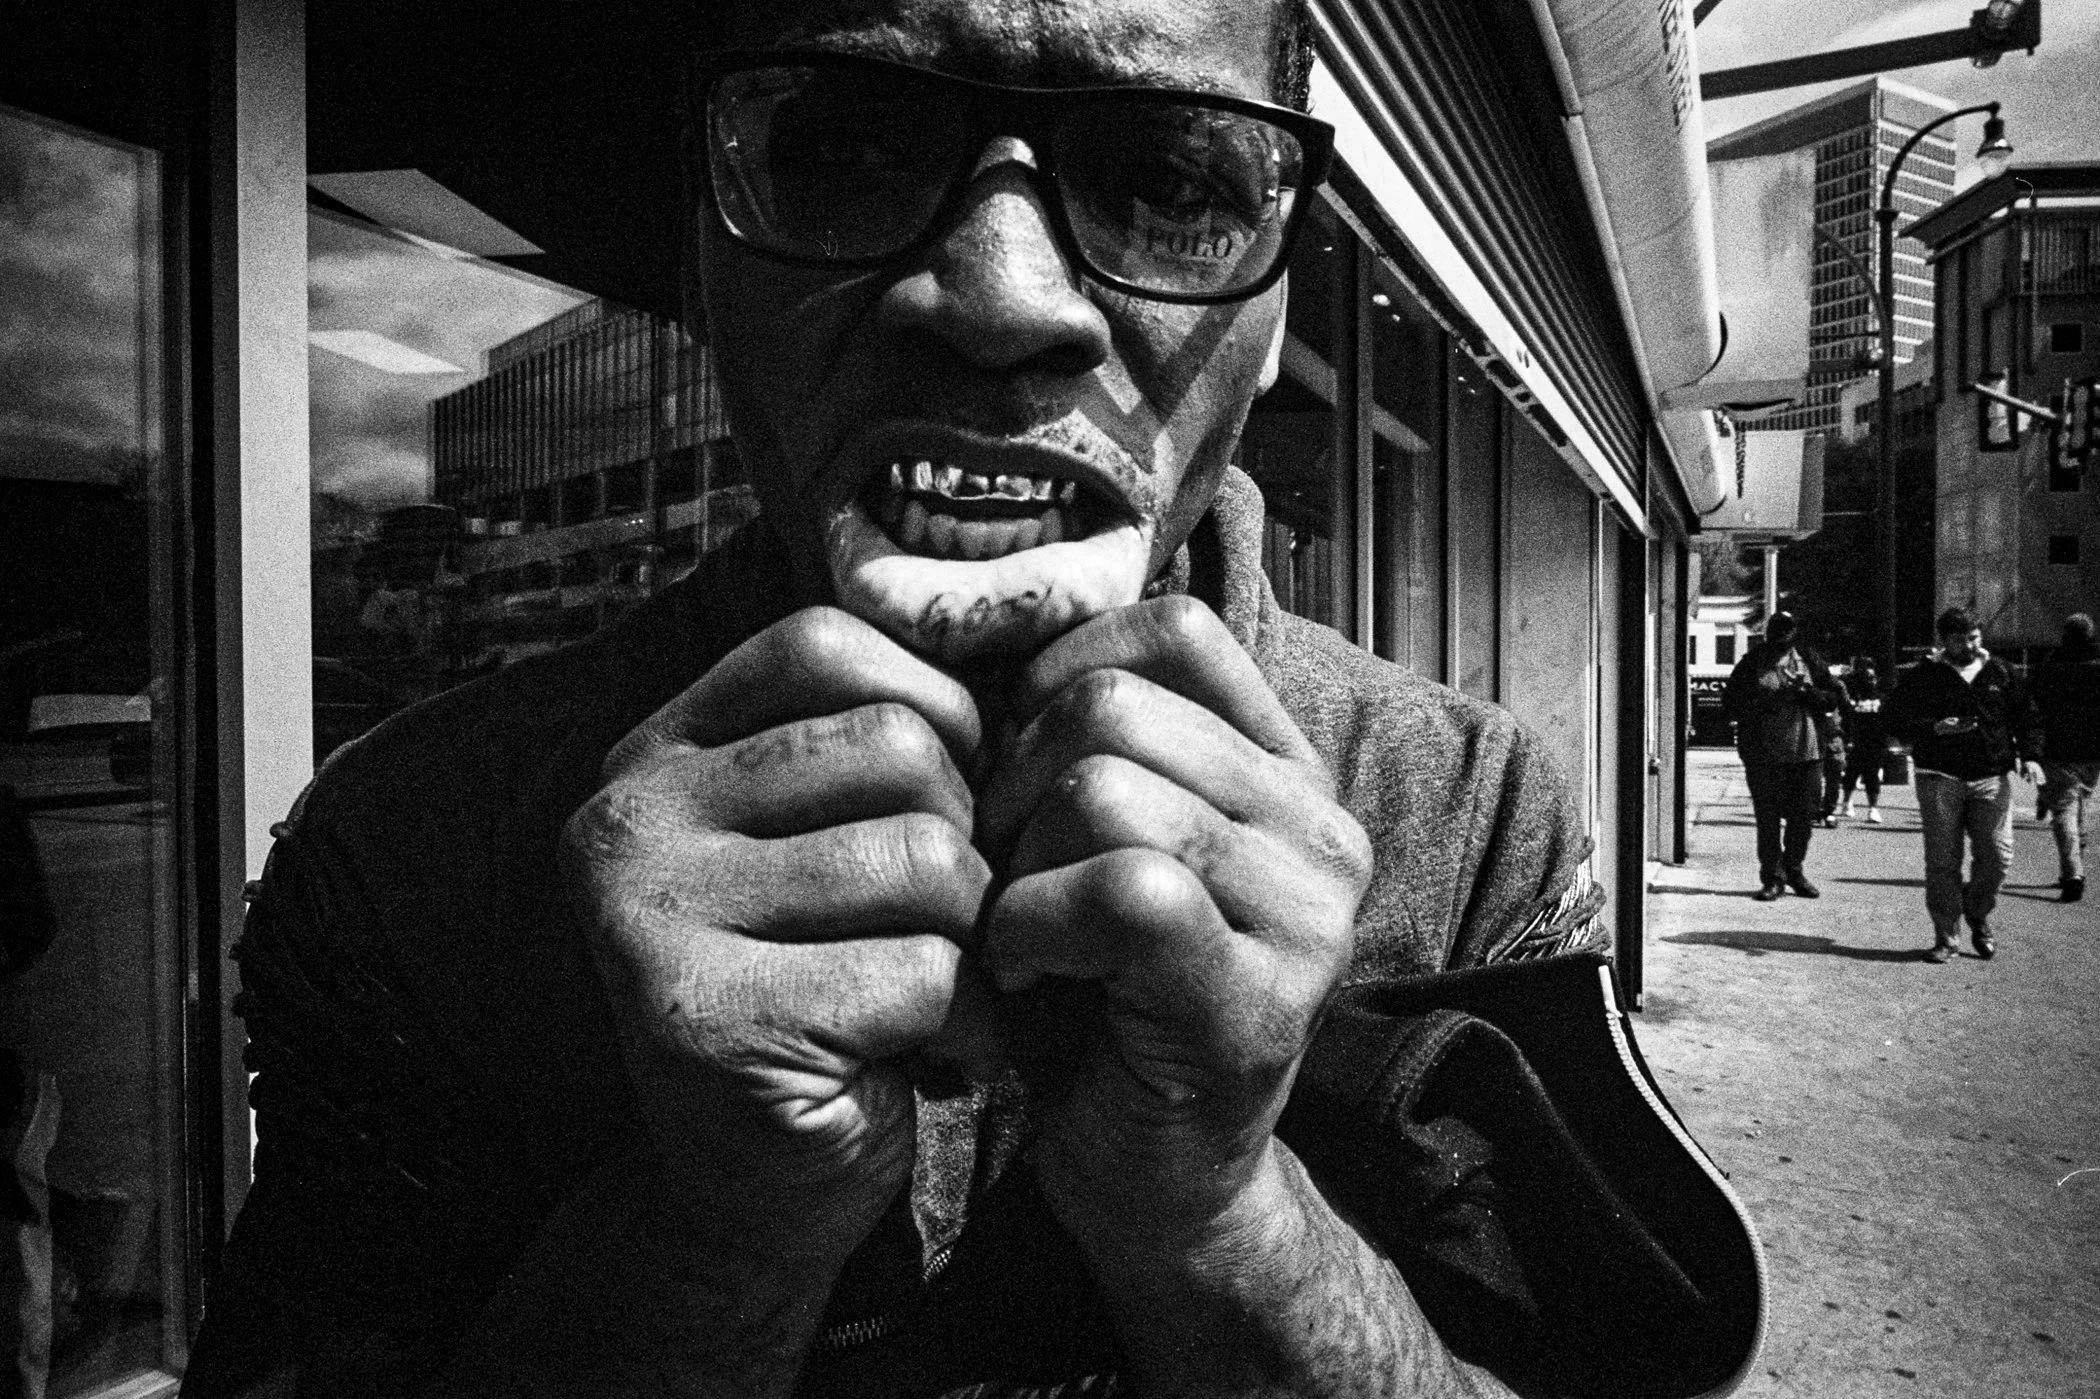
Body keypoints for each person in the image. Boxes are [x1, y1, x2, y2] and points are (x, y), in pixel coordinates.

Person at [181, 3, 1762, 1396]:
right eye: (846, 143)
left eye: (1167, 182)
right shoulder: (410, 854)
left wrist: (1222, 1215)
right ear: (700, 252)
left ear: (1276, 310)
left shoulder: (1465, 809)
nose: (1003, 298)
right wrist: (709, 1227)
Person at [1886, 608, 2044, 962]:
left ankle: (1977, 910)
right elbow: (1894, 718)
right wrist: (1934, 727)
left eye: (1975, 637)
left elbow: (2028, 715)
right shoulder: (1924, 675)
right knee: (1943, 862)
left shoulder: (2001, 672)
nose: (1969, 645)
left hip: (1990, 776)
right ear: (1943, 641)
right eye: (1960, 640)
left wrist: (2031, 756)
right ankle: (1947, 937)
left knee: (1998, 858)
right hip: (1939, 777)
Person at [1723, 611, 1841, 900]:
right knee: (1768, 820)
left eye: (1788, 631)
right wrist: (1769, 701)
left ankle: (1795, 871)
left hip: (1808, 754)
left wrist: (1806, 692)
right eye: (1777, 631)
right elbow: (1730, 705)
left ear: (1795, 633)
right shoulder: (1752, 663)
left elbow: (1833, 699)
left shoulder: (1809, 660)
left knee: (1804, 817)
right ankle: (1772, 878)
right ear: (1768, 634)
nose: (1783, 637)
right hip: (1764, 757)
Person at [2032, 613, 2099, 903]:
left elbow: (2033, 707)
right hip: (2093, 750)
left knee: (2064, 810)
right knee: (2079, 800)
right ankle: (2074, 865)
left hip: (2057, 747)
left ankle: (2072, 872)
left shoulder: (2048, 667)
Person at [1838, 656, 1888, 823]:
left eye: (1873, 678)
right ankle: (1846, 802)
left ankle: (1873, 809)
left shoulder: (1881, 698)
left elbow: (1887, 720)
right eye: (1868, 678)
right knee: (1852, 774)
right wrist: (1849, 739)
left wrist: (1886, 741)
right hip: (1857, 741)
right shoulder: (1854, 697)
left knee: (1872, 775)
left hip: (1875, 742)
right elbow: (1848, 719)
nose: (1871, 681)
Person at [1815, 671, 1851, 827]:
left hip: (1833, 738)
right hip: (1815, 738)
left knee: (1834, 777)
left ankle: (1828, 810)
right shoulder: (1809, 687)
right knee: (1814, 778)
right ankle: (1816, 810)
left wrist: (1849, 737)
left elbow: (1848, 711)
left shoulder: (1837, 688)